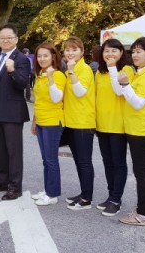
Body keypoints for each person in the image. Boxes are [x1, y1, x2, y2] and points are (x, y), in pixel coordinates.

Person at [116, 37, 145, 226]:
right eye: (133, 51)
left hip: (142, 130)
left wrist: (126, 85)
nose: (135, 55)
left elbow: (137, 103)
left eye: (139, 51)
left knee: (142, 173)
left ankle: (143, 215)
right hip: (144, 128)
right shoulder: (144, 72)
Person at [0, 24, 30, 201]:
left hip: (12, 111)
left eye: (9, 37)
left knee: (13, 150)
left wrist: (11, 70)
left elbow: (22, 83)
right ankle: (1, 181)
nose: (5, 40)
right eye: (2, 37)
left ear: (16, 39)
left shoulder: (21, 59)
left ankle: (15, 186)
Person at [95, 38, 133, 216]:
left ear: (121, 53)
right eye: (106, 51)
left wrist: (112, 68)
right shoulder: (99, 72)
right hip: (102, 125)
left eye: (114, 51)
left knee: (118, 164)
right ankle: (111, 196)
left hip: (118, 125)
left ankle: (116, 200)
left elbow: (119, 90)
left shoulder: (126, 70)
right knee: (108, 162)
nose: (109, 54)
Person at [30, 42, 66, 206]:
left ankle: (52, 195)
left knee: (51, 159)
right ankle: (47, 189)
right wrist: (34, 122)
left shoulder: (57, 75)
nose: (42, 58)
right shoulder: (40, 75)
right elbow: (38, 101)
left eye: (45, 55)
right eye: (39, 56)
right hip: (42, 121)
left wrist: (51, 78)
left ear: (53, 57)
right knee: (46, 159)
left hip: (53, 122)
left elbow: (56, 98)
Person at [62, 36, 96, 210]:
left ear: (82, 52)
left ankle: (87, 198)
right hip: (71, 121)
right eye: (67, 50)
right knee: (78, 161)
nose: (70, 53)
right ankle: (83, 193)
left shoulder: (84, 69)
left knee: (84, 161)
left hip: (83, 122)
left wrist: (72, 72)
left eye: (74, 49)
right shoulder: (71, 68)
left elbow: (80, 92)